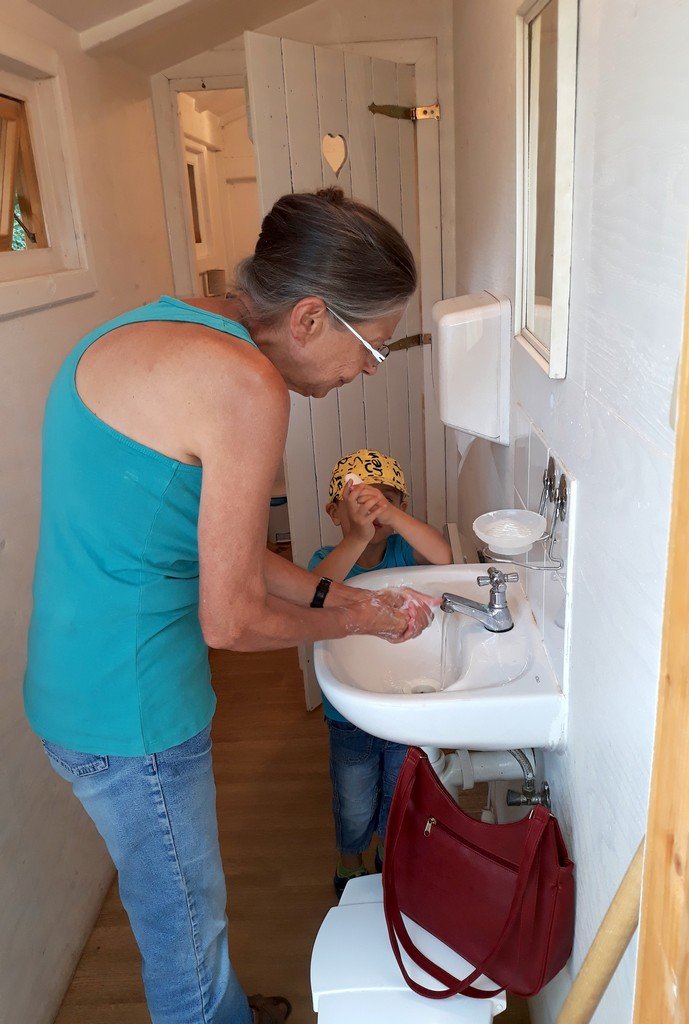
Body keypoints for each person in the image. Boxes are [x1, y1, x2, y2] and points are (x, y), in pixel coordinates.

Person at [24, 189, 438, 1024]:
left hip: (76, 683)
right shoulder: (246, 383)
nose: (367, 371)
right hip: (133, 709)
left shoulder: (152, 328)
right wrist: (357, 619)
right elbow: (232, 618)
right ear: (311, 318)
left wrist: (332, 593)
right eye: (372, 348)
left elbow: (211, 547)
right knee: (186, 939)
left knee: (188, 924)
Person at [308, 450, 452, 897]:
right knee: (353, 800)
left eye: (385, 501)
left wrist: (391, 516)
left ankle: (390, 855)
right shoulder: (326, 558)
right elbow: (315, 594)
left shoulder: (403, 551)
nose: (372, 512)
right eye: (358, 504)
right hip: (348, 714)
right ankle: (350, 860)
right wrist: (357, 537)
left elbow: (444, 556)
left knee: (397, 792)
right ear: (334, 513)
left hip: (400, 701)